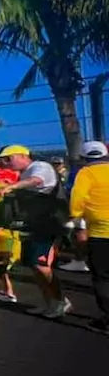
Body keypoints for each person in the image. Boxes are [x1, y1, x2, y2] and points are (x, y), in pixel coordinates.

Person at [0, 144, 70, 318]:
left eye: (8, 158)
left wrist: (12, 186)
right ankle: (51, 303)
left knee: (41, 265)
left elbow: (37, 180)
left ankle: (60, 301)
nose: (6, 162)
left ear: (22, 155)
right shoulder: (25, 172)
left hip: (49, 224)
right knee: (34, 266)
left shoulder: (40, 167)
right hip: (34, 225)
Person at [69, 140, 109, 331]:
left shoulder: (85, 173)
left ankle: (107, 320)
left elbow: (77, 200)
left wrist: (77, 221)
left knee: (102, 277)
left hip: (100, 233)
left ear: (84, 158)